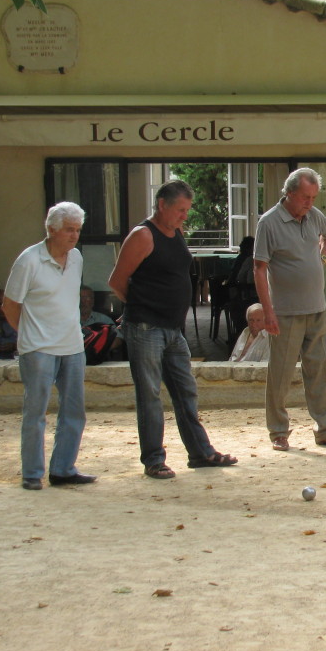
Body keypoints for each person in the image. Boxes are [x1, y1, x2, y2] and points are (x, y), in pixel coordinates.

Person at [108, 179, 236, 479]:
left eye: (187, 210)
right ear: (162, 205)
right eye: (180, 209)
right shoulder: (142, 235)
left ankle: (200, 453)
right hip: (146, 327)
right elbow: (117, 281)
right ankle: (154, 459)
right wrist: (140, 306)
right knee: (150, 395)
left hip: (173, 330)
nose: (185, 216)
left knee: (185, 391)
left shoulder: (176, 231)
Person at [253, 167, 326, 451]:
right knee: (281, 373)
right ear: (289, 193)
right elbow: (259, 269)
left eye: (313, 197)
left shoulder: (314, 216)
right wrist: (268, 312)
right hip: (286, 312)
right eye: (305, 197)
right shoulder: (269, 223)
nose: (309, 203)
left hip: (316, 308)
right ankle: (278, 431)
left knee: (318, 370)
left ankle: (324, 429)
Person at [2, 202, 94, 490]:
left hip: (72, 345)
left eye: (78, 230)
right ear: (52, 229)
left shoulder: (76, 258)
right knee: (36, 411)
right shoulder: (28, 260)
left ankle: (63, 469)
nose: (74, 236)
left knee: (74, 411)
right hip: (39, 348)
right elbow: (10, 305)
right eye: (69, 230)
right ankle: (32, 472)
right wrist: (30, 334)